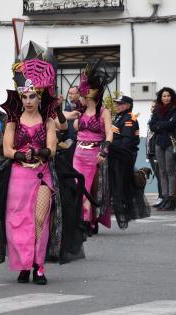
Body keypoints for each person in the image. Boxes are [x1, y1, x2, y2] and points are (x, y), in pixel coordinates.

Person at [0, 41, 60, 285]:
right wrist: (20, 155)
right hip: (18, 174)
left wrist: (43, 151)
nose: (28, 100)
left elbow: (53, 147)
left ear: (40, 95)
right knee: (17, 221)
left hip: (42, 174)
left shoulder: (48, 119)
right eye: (24, 96)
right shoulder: (13, 118)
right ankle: (23, 265)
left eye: (32, 95)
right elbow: (6, 149)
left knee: (39, 220)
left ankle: (39, 265)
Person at [73, 58, 115, 235]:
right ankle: (84, 220)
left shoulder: (104, 112)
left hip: (94, 155)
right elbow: (69, 124)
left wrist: (104, 151)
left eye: (86, 91)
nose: (83, 93)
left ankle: (87, 221)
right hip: (78, 153)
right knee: (78, 188)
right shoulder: (79, 112)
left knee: (88, 189)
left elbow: (109, 134)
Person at [109, 95, 150, 228]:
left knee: (122, 181)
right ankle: (120, 205)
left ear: (128, 105)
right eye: (117, 103)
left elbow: (126, 140)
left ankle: (124, 207)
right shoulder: (120, 117)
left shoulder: (129, 119)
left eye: (120, 104)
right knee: (118, 181)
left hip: (123, 155)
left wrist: (115, 149)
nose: (117, 106)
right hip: (116, 154)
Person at [148, 87, 176, 211]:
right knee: (161, 171)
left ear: (172, 96)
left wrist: (160, 125)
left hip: (170, 142)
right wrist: (163, 124)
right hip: (159, 143)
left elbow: (173, 123)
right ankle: (164, 197)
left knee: (170, 170)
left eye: (168, 95)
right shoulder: (157, 108)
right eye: (164, 96)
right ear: (160, 97)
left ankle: (172, 199)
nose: (166, 98)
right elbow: (152, 126)